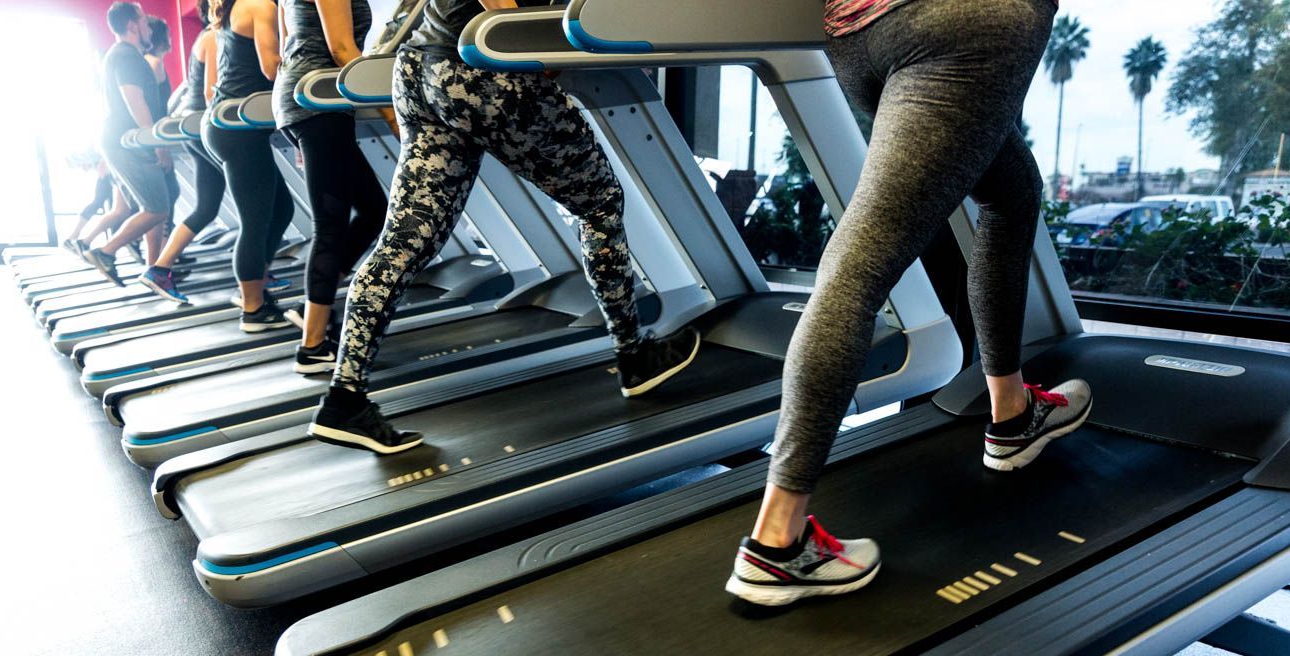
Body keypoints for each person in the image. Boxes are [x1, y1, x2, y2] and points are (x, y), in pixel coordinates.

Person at [724, 0, 1093, 607]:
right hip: (967, 23)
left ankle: (1012, 413)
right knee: (860, 264)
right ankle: (776, 543)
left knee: (1013, 192)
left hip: (853, 35)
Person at [307, 0, 701, 455]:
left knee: (402, 244)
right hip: (482, 69)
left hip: (421, 71)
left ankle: (343, 396)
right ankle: (634, 356)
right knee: (600, 202)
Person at [273, 0, 388, 374]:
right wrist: (391, 108)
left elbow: (288, 41)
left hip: (307, 97)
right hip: (318, 99)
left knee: (373, 209)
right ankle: (312, 346)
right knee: (331, 225)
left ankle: (315, 308)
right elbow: (341, 47)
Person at [201, 0, 294, 331]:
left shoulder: (238, 6)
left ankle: (255, 285)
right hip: (237, 127)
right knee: (255, 222)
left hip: (232, 123)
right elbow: (272, 68)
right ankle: (252, 308)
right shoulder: (258, 5)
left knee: (281, 210)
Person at [83, 2, 173, 287]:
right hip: (127, 142)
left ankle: (152, 265)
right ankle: (105, 252)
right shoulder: (127, 55)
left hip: (121, 141)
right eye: (145, 21)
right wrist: (156, 142)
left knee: (147, 205)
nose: (149, 27)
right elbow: (134, 99)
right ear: (133, 25)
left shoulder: (122, 55)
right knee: (158, 208)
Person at [139, 20, 228, 304]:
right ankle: (258, 272)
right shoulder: (215, 35)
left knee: (206, 207)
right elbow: (211, 90)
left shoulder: (205, 36)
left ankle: (160, 268)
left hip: (194, 126)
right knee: (266, 206)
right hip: (209, 125)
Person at [143, 14, 183, 222]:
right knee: (169, 193)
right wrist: (161, 146)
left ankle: (161, 250)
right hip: (156, 135)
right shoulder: (154, 63)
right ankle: (164, 251)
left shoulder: (147, 61)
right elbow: (156, 106)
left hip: (151, 134)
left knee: (164, 196)